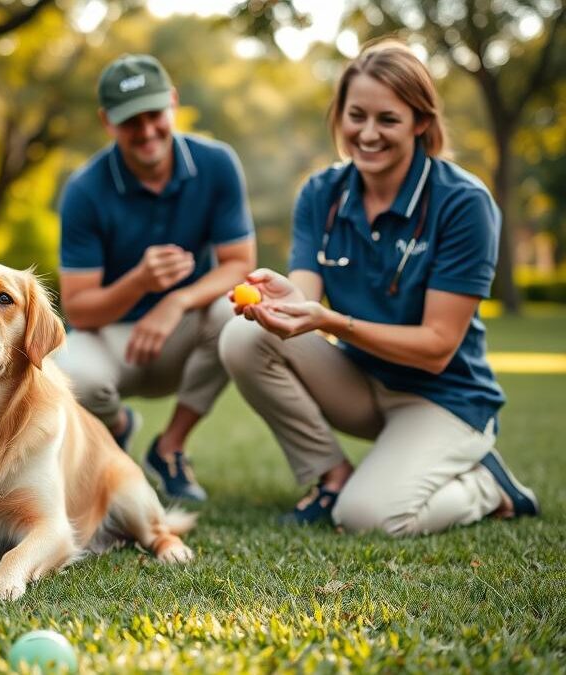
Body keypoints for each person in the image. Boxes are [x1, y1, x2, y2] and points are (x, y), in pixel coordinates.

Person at [218, 41, 539, 534]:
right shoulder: (320, 193)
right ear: (339, 116)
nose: (367, 134)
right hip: (361, 384)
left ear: (421, 122)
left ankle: (488, 485)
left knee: (369, 517)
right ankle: (332, 477)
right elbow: (302, 301)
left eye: (387, 119)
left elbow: (436, 348)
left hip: (444, 399)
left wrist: (330, 322)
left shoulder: (463, 203)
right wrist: (284, 301)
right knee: (241, 337)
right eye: (356, 115)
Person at [55, 53, 256, 501]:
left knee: (239, 311)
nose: (146, 132)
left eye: (154, 115)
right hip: (109, 335)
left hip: (183, 334)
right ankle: (117, 427)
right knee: (65, 374)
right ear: (107, 122)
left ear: (173, 102)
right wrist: (141, 281)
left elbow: (240, 265)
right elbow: (79, 308)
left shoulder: (217, 163)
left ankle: (169, 449)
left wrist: (176, 301)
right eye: (130, 122)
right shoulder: (85, 189)